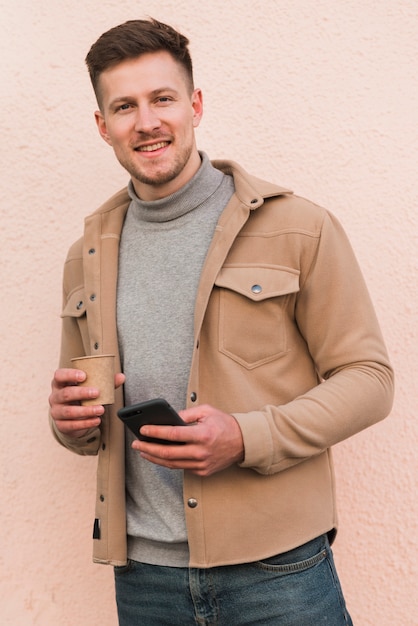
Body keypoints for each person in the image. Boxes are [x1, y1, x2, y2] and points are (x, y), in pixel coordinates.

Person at [49, 18, 394, 626]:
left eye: (163, 98)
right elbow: (88, 421)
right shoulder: (88, 253)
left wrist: (246, 436)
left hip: (278, 572)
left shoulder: (299, 227)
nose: (147, 121)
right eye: (124, 106)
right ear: (103, 127)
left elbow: (369, 379)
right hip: (145, 581)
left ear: (195, 105)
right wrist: (70, 422)